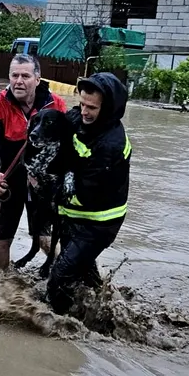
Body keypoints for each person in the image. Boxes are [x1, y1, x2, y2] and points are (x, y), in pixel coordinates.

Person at [46, 72, 131, 315]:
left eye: (91, 107)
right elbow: (62, 125)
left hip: (98, 224)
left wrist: (48, 186)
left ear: (108, 108)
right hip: (74, 215)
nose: (83, 111)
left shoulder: (110, 145)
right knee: (83, 273)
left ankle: (59, 326)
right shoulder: (80, 118)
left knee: (58, 278)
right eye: (82, 103)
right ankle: (105, 309)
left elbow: (84, 194)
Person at [0, 54, 67, 270]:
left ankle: (65, 275)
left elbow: (68, 146)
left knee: (46, 240)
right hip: (8, 181)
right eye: (14, 75)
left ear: (37, 79)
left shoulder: (56, 104)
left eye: (25, 76)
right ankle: (1, 286)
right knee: (2, 240)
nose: (18, 81)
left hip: (43, 183)